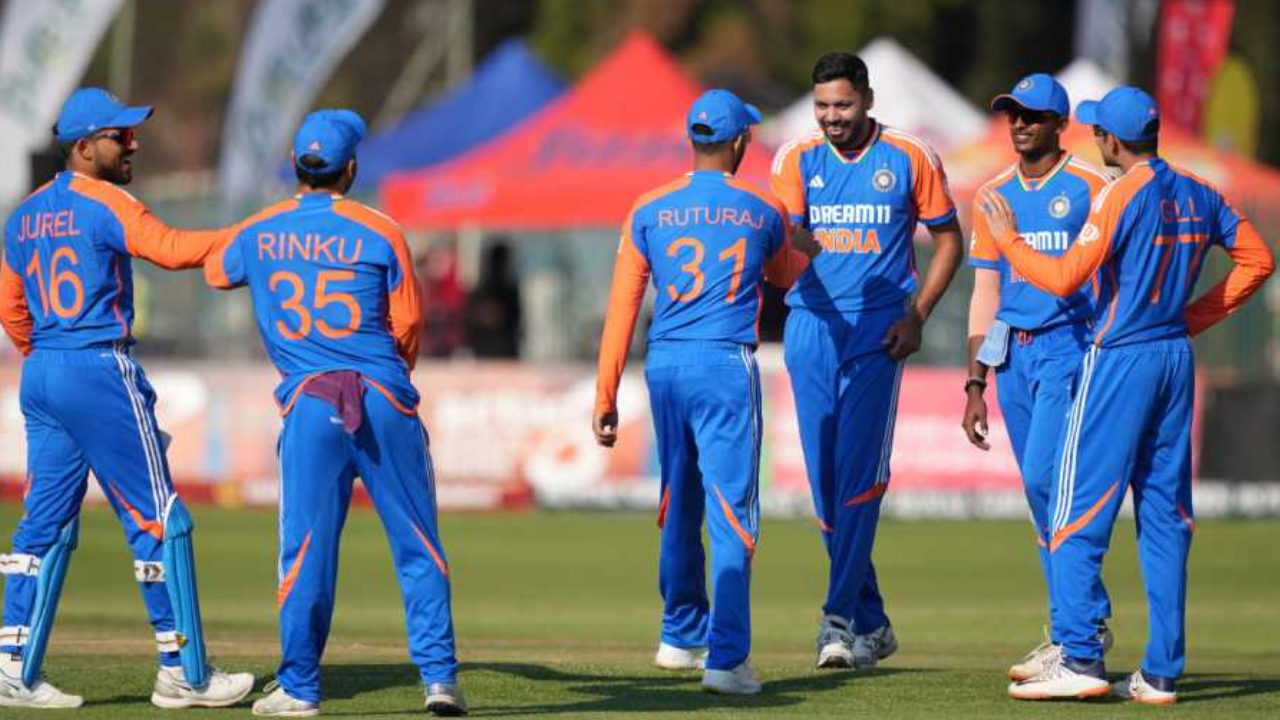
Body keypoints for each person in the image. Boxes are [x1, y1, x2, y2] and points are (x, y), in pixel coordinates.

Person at [980, 86, 1273, 704]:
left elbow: (1062, 276)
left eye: (1097, 132)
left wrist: (1009, 241)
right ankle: (1161, 672)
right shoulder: (1200, 191)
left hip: (1119, 358)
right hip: (1174, 358)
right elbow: (1258, 260)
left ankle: (1081, 654)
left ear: (1110, 140)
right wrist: (1190, 320)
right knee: (1167, 518)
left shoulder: (1117, 193)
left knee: (1073, 510)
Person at [203, 110, 465, 717]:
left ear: (298, 164)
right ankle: (440, 679)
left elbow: (217, 269)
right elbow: (409, 323)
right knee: (418, 544)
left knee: (306, 552)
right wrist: (391, 383)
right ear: (352, 168)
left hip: (310, 403)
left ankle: (299, 687)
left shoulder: (262, 229)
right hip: (384, 397)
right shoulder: (380, 230)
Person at [0, 88, 254, 709]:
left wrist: (50, 357)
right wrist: (250, 232)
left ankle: (11, 665)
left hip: (43, 370)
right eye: (120, 135)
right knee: (162, 520)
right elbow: (170, 251)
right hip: (98, 367)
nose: (132, 143)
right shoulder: (106, 200)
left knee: (44, 526)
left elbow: (9, 308)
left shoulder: (23, 215)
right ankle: (184, 672)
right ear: (84, 148)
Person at [593, 89, 807, 695]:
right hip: (724, 363)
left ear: (694, 140)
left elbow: (622, 310)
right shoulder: (762, 210)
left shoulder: (648, 208)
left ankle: (681, 635)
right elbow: (789, 277)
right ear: (740, 143)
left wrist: (605, 395)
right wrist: (810, 245)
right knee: (732, 509)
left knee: (678, 500)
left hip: (663, 365)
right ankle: (728, 659)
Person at [770, 52, 964, 669]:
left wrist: (918, 316)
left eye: (843, 105)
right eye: (823, 106)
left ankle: (838, 621)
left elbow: (950, 241)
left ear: (869, 99)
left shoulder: (909, 155)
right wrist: (793, 239)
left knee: (860, 480)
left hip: (879, 331)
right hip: (811, 328)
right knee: (825, 488)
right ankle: (873, 622)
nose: (832, 117)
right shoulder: (795, 158)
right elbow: (785, 237)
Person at [961, 73, 1115, 681]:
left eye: (1032, 115)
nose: (1019, 124)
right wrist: (975, 381)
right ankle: (1069, 627)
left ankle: (1084, 626)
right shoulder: (993, 193)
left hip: (1069, 350)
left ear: (1059, 124)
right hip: (1012, 359)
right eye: (1011, 114)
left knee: (1055, 484)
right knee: (1038, 493)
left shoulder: (1090, 187)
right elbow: (985, 291)